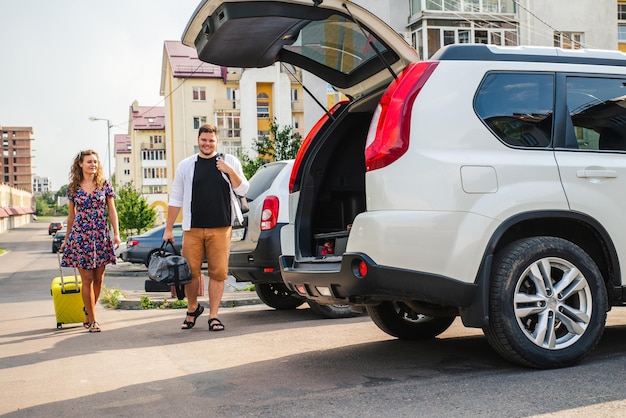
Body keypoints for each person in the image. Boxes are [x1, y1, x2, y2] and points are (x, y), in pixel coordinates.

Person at [163, 124, 249, 331]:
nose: (207, 144)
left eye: (211, 140)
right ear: (198, 140)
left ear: (217, 142)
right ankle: (193, 309)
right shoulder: (186, 165)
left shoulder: (229, 161)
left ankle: (214, 315)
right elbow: (175, 198)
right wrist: (168, 229)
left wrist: (229, 171)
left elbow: (244, 188)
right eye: (204, 140)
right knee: (190, 273)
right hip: (192, 228)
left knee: (218, 273)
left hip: (221, 228)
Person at [60, 149, 121, 333]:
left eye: (95, 161)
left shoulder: (105, 185)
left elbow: (112, 211)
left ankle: (88, 312)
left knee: (99, 279)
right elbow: (71, 216)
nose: (93, 164)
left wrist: (116, 234)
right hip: (81, 236)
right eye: (89, 161)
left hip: (101, 235)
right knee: (86, 279)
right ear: (80, 164)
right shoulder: (73, 188)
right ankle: (93, 320)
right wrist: (67, 239)